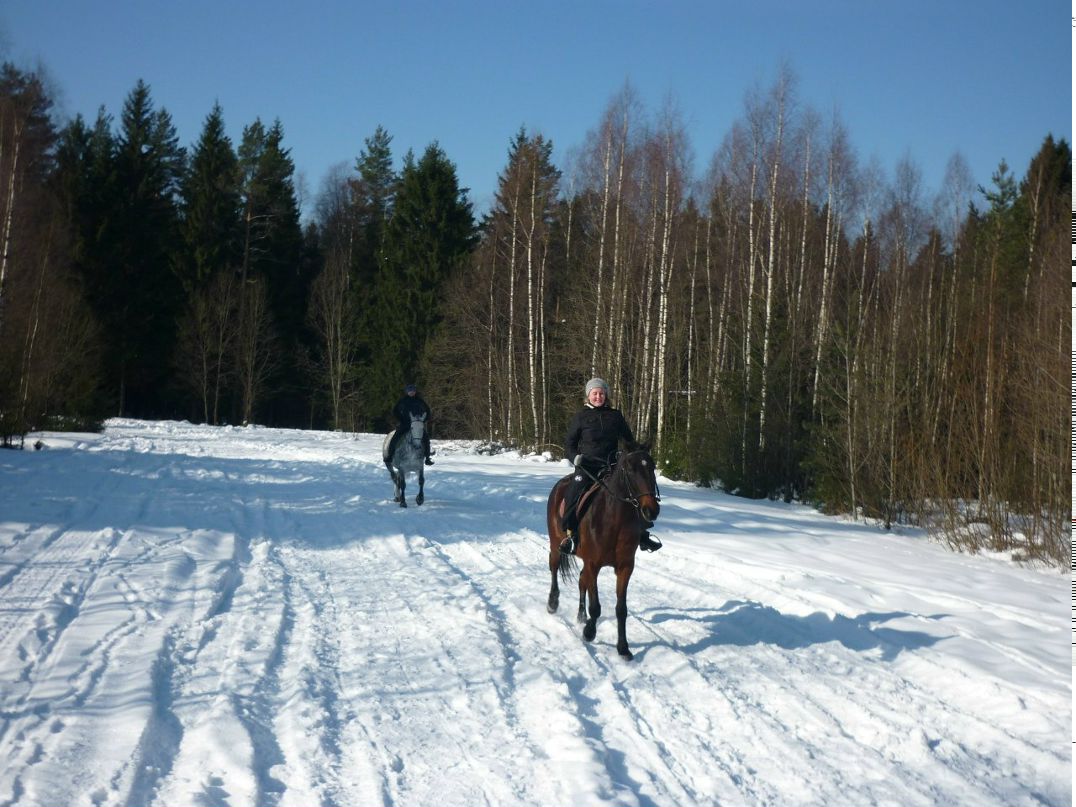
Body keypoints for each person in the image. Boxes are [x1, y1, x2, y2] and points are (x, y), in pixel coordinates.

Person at [559, 377, 661, 554]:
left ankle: (642, 534)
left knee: (634, 491)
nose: (598, 396)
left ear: (606, 395)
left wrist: (638, 452)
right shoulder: (581, 417)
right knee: (574, 490)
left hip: (612, 466)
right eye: (595, 393)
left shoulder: (615, 416)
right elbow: (569, 443)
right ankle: (570, 534)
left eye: (601, 393)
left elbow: (629, 441)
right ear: (588, 396)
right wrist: (575, 457)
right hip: (586, 467)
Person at [387, 383, 434, 465]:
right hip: (405, 424)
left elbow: (428, 411)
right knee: (395, 438)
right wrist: (401, 419)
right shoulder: (403, 401)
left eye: (413, 391)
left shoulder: (420, 401)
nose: (411, 392)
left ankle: (427, 458)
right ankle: (390, 456)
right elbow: (395, 411)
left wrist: (424, 420)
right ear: (406, 392)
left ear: (415, 391)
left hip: (417, 424)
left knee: (426, 438)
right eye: (409, 391)